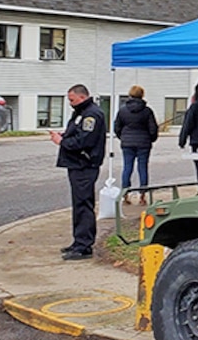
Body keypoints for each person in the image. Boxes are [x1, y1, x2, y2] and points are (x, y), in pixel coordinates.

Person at [50, 84, 107, 261]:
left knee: (83, 205)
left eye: (72, 100)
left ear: (82, 97)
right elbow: (78, 132)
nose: (70, 103)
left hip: (84, 164)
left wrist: (62, 141)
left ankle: (84, 245)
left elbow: (84, 140)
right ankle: (78, 241)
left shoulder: (91, 114)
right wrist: (66, 135)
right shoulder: (81, 112)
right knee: (78, 204)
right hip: (77, 164)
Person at [113, 84, 159, 205]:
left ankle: (125, 194)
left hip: (127, 143)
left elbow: (117, 127)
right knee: (142, 168)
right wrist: (151, 139)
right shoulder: (147, 111)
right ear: (142, 95)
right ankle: (142, 195)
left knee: (127, 167)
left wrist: (122, 137)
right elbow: (153, 129)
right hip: (144, 143)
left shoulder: (122, 110)